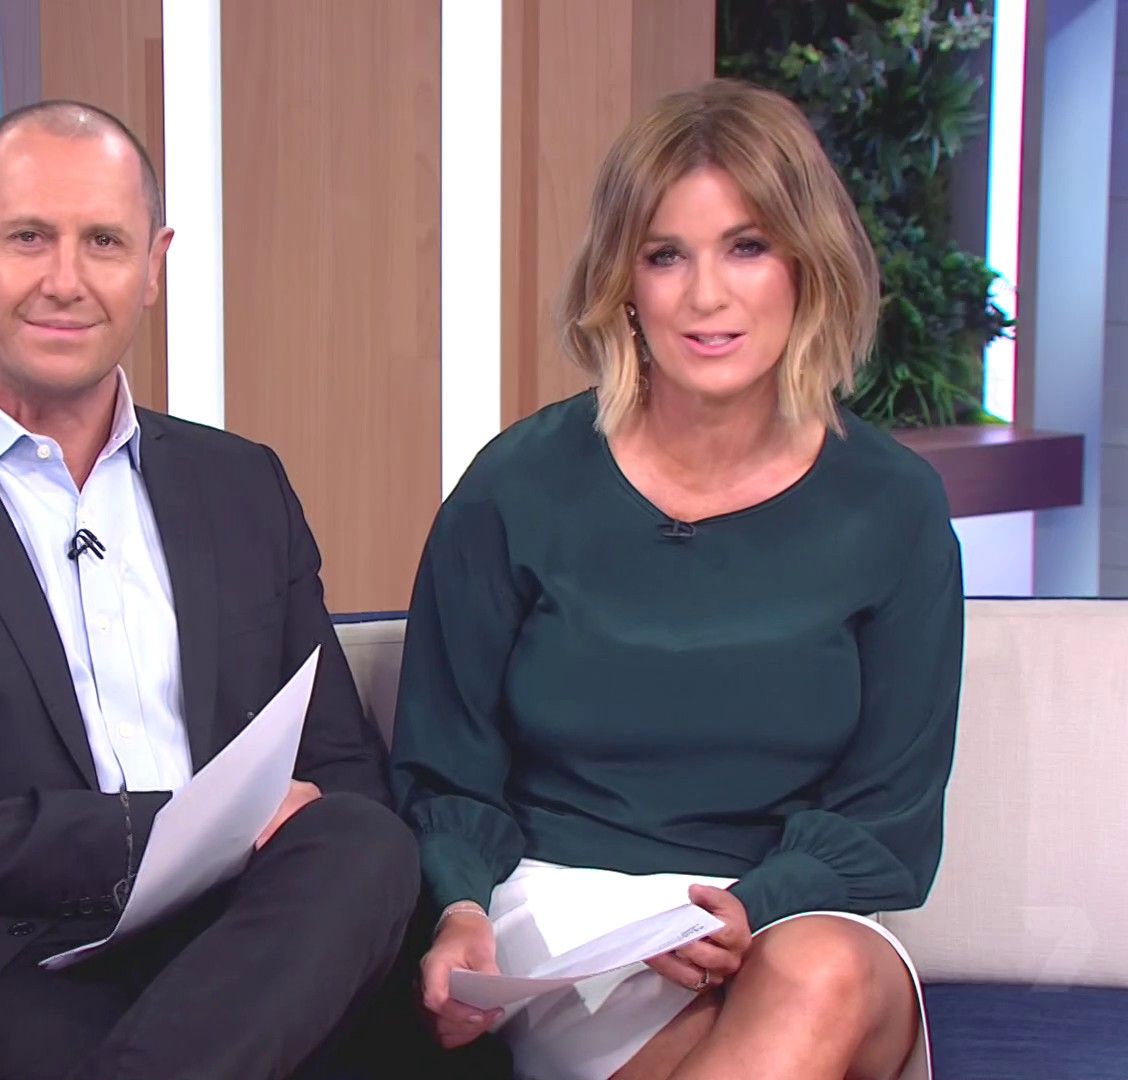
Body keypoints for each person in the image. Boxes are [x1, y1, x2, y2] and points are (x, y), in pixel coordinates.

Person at [0, 99, 417, 1080]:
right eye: (28, 238)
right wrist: (163, 831)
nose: (65, 280)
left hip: (232, 952)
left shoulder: (239, 484)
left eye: (103, 241)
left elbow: (338, 764)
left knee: (363, 843)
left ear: (154, 265)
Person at [391, 79, 965, 1080]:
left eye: (747, 247)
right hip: (569, 920)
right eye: (667, 256)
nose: (707, 297)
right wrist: (462, 911)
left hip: (791, 918)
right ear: (624, 282)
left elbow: (890, 814)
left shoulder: (895, 507)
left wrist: (757, 905)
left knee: (825, 974)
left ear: (807, 265)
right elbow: (446, 768)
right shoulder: (517, 486)